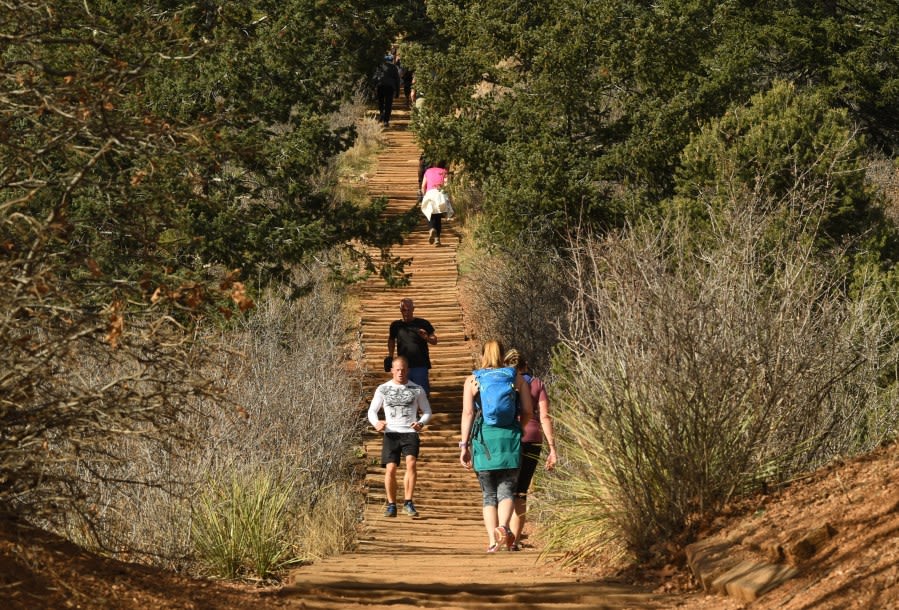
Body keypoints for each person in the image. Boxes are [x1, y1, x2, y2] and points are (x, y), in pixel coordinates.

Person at [459, 340, 533, 552]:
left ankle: (493, 541)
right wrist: (518, 427)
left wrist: (464, 445)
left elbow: (468, 413)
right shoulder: (515, 377)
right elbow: (528, 410)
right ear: (503, 355)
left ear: (482, 354)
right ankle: (504, 526)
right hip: (509, 437)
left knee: (488, 494)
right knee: (507, 489)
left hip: (484, 440)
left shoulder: (473, 380)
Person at [503, 348, 557, 551]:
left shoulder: (503, 383)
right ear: (526, 365)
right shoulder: (537, 384)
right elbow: (545, 416)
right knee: (521, 492)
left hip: (508, 438)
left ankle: (503, 531)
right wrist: (552, 448)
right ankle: (515, 541)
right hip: (533, 437)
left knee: (505, 488)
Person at [368, 356, 433, 518]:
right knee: (390, 468)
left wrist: (421, 423)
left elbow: (427, 411)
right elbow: (372, 410)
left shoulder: (417, 389)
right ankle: (391, 504)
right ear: (391, 370)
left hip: (410, 432)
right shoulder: (383, 389)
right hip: (391, 433)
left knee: (411, 463)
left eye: (403, 369)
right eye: (397, 369)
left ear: (408, 370)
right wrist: (376, 423)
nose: (400, 372)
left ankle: (408, 502)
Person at [388, 298, 437, 396]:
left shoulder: (423, 323)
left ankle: (423, 411)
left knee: (422, 394)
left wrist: (426, 337)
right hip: (403, 367)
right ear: (400, 310)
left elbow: (434, 340)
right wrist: (390, 356)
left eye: (408, 309)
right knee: (405, 395)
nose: (406, 312)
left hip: (420, 364)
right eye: (403, 310)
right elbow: (391, 340)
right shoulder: (395, 325)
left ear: (413, 309)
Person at [420, 161, 450, 246]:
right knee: (438, 217)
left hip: (430, 193)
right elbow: (446, 185)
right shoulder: (444, 171)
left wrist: (424, 195)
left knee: (429, 214)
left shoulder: (428, 171)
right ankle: (437, 240)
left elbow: (423, 186)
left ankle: (431, 229)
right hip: (440, 193)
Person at [374, 54, 401, 126]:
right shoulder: (394, 67)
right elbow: (397, 80)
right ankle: (386, 121)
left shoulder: (380, 66)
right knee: (388, 104)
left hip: (381, 86)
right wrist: (397, 92)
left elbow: (376, 77)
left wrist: (374, 86)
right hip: (390, 87)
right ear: (392, 60)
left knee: (381, 102)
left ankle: (382, 113)